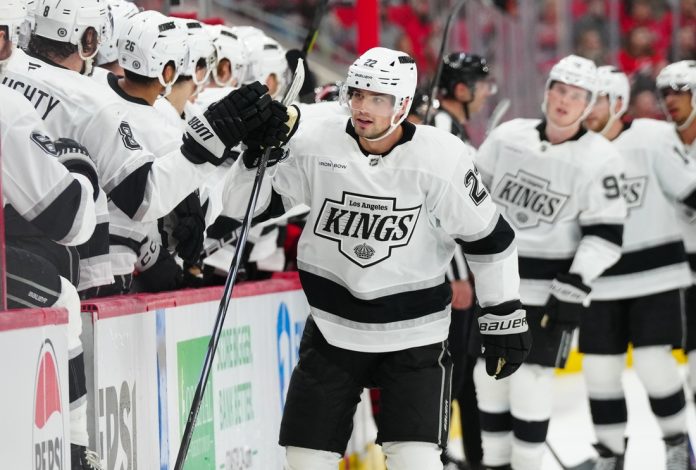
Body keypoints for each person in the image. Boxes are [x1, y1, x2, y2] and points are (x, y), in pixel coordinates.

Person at [221, 46, 530, 470]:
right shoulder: (317, 141)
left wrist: (502, 310)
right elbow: (241, 207)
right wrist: (256, 157)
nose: (363, 107)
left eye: (378, 98)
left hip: (414, 336)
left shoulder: (441, 157)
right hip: (331, 331)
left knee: (416, 460)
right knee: (305, 459)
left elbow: (490, 238)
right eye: (358, 94)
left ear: (403, 104)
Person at [3, 0, 274, 295]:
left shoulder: (9, 68)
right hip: (62, 262)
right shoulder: (93, 104)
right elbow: (143, 196)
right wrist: (205, 148)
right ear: (89, 39)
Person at [474, 55, 627, 470]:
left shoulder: (601, 158)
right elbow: (469, 200)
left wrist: (575, 283)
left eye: (576, 95)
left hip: (550, 292)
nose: (564, 101)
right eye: (559, 90)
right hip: (494, 285)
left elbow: (606, 236)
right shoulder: (508, 137)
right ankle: (495, 464)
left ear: (588, 104)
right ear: (547, 93)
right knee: (487, 380)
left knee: (531, 381)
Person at [1, 3, 100, 467]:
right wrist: (79, 171)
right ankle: (75, 448)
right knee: (63, 296)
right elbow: (70, 220)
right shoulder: (7, 108)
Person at [581, 65, 695, 470]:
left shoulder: (652, 137)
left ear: (618, 101)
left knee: (653, 363)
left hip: (656, 275)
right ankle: (610, 455)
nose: (587, 108)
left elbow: (689, 191)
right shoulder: (576, 149)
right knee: (598, 371)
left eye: (596, 99)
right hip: (597, 279)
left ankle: (677, 444)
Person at [434, 51, 498, 470]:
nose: (486, 93)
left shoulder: (454, 128)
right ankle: (433, 456)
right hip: (449, 276)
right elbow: (441, 205)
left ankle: (475, 458)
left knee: (465, 369)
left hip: (461, 275)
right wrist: (458, 273)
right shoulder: (442, 127)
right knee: (451, 372)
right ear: (461, 89)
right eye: (481, 85)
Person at [660, 60, 696, 450]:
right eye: (666, 92)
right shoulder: (659, 144)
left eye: (680, 91)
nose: (671, 99)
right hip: (673, 267)